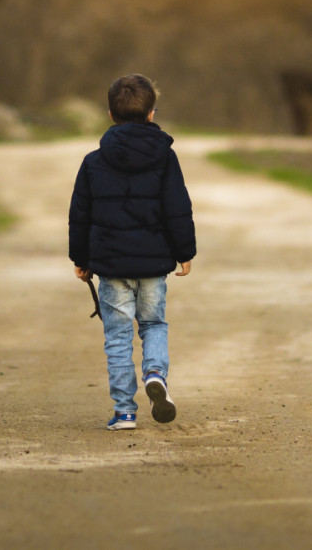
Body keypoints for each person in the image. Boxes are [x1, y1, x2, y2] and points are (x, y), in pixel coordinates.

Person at [68, 73, 196, 430]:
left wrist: (81, 259)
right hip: (154, 264)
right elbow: (177, 207)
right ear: (152, 113)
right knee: (153, 323)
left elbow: (79, 215)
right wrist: (185, 251)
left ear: (110, 113)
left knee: (118, 335)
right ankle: (155, 374)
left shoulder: (93, 161)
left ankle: (125, 411)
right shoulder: (165, 158)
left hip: (111, 265)